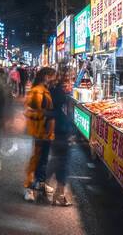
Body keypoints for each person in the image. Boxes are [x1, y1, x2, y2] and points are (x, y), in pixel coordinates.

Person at [23, 67, 56, 202]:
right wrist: (48, 115)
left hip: (45, 132)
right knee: (36, 159)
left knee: (42, 160)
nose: (55, 79)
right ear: (46, 76)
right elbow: (32, 111)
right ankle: (29, 188)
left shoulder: (43, 89)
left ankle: (39, 184)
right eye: (53, 76)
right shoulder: (38, 91)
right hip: (40, 131)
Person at [49, 72, 73, 206]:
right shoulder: (60, 98)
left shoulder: (55, 93)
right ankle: (59, 194)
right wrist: (69, 133)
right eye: (66, 84)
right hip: (60, 134)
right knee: (62, 164)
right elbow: (63, 119)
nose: (69, 86)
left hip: (58, 133)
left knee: (57, 162)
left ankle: (52, 191)